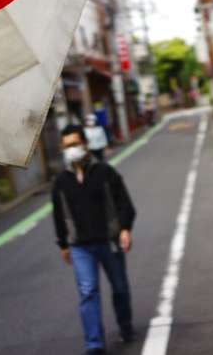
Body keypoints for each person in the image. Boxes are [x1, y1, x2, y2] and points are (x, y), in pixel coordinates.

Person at [52, 124, 136, 354]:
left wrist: (125, 229)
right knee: (88, 292)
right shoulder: (61, 182)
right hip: (80, 247)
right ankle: (94, 344)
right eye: (67, 145)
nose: (71, 149)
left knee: (119, 287)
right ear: (62, 148)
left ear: (85, 145)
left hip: (109, 241)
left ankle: (126, 327)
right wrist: (63, 244)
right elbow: (59, 214)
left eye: (75, 144)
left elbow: (124, 203)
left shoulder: (105, 172)